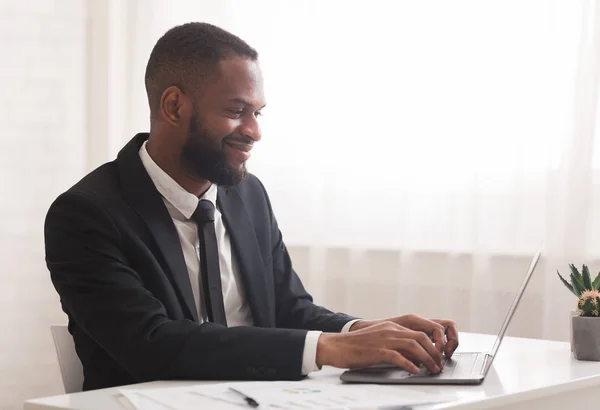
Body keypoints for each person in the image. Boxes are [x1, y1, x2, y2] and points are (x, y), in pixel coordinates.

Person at [44, 22, 459, 391]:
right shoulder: (85, 215)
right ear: (173, 106)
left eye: (257, 113)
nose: (255, 132)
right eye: (236, 111)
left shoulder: (248, 195)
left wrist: (365, 332)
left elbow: (286, 308)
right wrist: (333, 347)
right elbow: (151, 342)